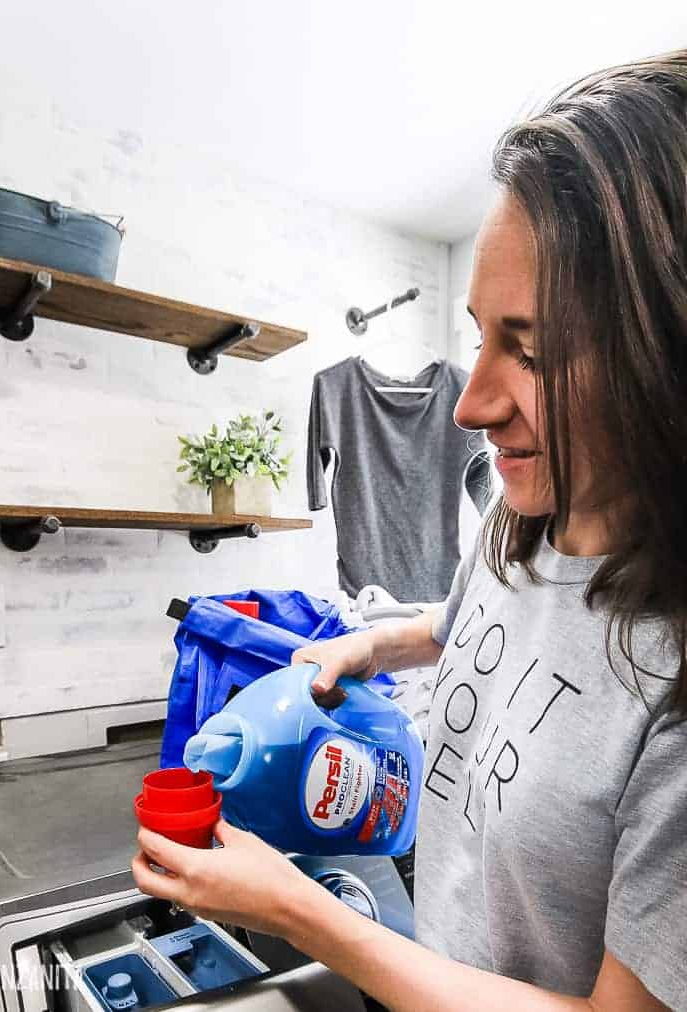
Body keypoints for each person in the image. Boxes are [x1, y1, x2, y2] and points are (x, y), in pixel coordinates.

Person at [133, 50, 687, 1012]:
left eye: (533, 350)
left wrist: (306, 915)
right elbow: (460, 624)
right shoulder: (523, 531)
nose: (471, 404)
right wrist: (373, 642)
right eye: (481, 335)